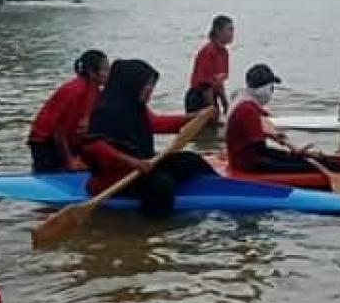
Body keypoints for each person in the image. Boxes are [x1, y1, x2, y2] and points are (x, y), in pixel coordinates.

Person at [85, 59, 215, 216]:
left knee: (190, 160)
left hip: (143, 166)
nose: (150, 89)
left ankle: (222, 188)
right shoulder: (105, 112)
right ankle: (154, 225)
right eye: (147, 85)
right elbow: (94, 147)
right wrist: (132, 162)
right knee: (161, 185)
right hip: (117, 179)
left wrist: (193, 117)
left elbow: (156, 124)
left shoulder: (135, 106)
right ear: (131, 84)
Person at [227, 64, 340, 174]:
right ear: (263, 89)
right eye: (271, 88)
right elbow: (260, 150)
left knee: (305, 159)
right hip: (248, 164)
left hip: (247, 159)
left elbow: (266, 131)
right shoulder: (248, 110)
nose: (272, 92)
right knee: (309, 165)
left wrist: (293, 152)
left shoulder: (244, 102)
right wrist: (293, 157)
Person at [28, 49, 109, 173]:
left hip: (69, 140)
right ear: (92, 72)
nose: (108, 74)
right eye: (105, 69)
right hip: (45, 142)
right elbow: (58, 131)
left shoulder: (95, 91)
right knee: (53, 175)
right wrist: (69, 161)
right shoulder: (75, 91)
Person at [183, 14, 234, 117]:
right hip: (199, 98)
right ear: (218, 31)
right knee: (211, 122)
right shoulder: (209, 51)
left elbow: (219, 82)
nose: (232, 34)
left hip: (211, 95)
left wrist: (225, 103)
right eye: (230, 30)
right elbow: (206, 85)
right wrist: (212, 108)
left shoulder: (224, 52)